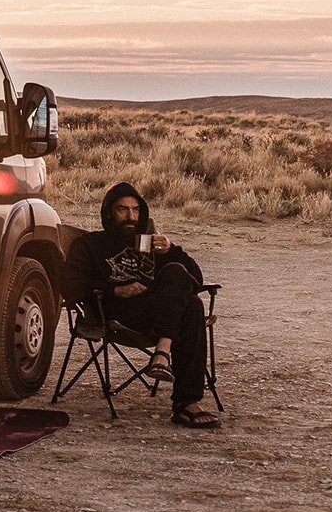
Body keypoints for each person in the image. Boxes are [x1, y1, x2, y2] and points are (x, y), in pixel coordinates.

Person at [63, 181, 220, 428]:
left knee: (185, 289)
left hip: (159, 314)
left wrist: (171, 251)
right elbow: (71, 287)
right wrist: (116, 289)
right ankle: (185, 402)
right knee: (191, 309)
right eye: (122, 209)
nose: (130, 216)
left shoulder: (150, 244)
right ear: (108, 213)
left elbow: (194, 280)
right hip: (119, 313)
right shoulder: (90, 245)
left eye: (136, 210)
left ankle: (163, 354)